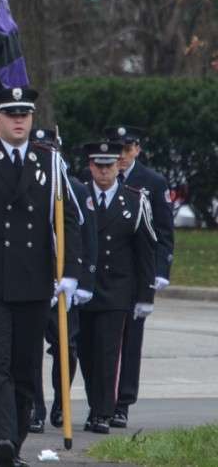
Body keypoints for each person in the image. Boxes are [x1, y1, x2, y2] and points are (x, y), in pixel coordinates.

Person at [0, 87, 82, 467]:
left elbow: (69, 221)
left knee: (26, 368)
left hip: (34, 281)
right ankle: (3, 438)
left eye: (25, 113)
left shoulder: (50, 162)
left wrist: (70, 273)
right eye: (11, 114)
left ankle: (17, 440)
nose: (20, 120)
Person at [76, 140, 156, 434]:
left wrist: (145, 294)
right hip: (85, 288)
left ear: (117, 167)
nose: (104, 172)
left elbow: (147, 250)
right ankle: (95, 403)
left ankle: (102, 413)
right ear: (90, 166)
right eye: (98, 165)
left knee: (108, 352)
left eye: (109, 165)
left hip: (117, 290)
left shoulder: (135, 200)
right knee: (86, 353)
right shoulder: (79, 196)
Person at [27, 128, 97, 433]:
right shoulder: (24, 182)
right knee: (28, 347)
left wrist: (82, 281)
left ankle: (60, 403)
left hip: (63, 282)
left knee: (66, 347)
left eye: (50, 148)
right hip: (30, 279)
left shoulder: (76, 188)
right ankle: (34, 407)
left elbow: (87, 236)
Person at [104, 125, 174, 428]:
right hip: (105, 272)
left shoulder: (153, 182)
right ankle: (101, 400)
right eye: (116, 148)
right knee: (97, 342)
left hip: (137, 273)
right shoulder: (96, 175)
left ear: (137, 150)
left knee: (130, 341)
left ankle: (123, 402)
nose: (121, 155)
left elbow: (163, 232)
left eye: (127, 148)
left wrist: (159, 272)